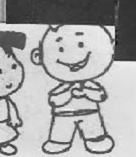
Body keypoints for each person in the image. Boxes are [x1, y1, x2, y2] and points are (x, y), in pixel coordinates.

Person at [30, 25, 116, 154]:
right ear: (38, 57)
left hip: (90, 113)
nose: (72, 56)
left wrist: (86, 92)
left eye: (81, 44)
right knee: (61, 131)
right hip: (63, 115)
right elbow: (54, 101)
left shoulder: (90, 85)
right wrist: (69, 94)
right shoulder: (64, 87)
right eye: (61, 49)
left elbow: (100, 96)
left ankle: (96, 139)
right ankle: (59, 141)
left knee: (93, 129)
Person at [0, 29, 27, 155]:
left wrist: (15, 118)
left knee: (3, 133)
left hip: (2, 122)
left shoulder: (3, 99)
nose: (8, 81)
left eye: (13, 67)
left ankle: (3, 143)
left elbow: (11, 106)